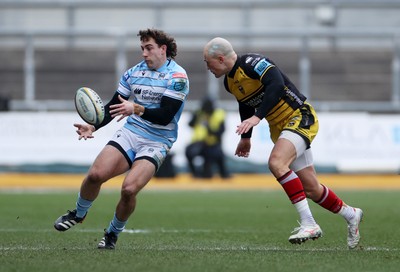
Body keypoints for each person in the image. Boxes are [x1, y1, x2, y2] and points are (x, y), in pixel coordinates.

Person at [203, 37, 363, 249]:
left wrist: (257, 118)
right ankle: (351, 214)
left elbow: (276, 84)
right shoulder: (229, 82)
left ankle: (309, 223)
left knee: (276, 163)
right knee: (312, 189)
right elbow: (246, 105)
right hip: (280, 128)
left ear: (221, 58)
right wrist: (246, 137)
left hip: (299, 116)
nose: (207, 67)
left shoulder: (253, 63)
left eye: (208, 62)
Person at [54, 28, 189, 250]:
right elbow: (113, 106)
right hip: (131, 133)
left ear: (163, 49)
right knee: (96, 174)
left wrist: (135, 107)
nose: (144, 53)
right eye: (142, 49)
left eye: (149, 48)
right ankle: (78, 214)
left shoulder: (178, 77)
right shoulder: (133, 73)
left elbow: (165, 116)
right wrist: (93, 125)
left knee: (128, 190)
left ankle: (112, 235)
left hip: (158, 141)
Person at [185, 96, 230, 179]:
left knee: (209, 173)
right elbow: (190, 124)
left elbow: (221, 132)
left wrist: (209, 128)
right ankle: (195, 173)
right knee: (189, 151)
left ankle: (223, 174)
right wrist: (197, 116)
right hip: (199, 143)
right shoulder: (199, 113)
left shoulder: (219, 114)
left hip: (212, 144)